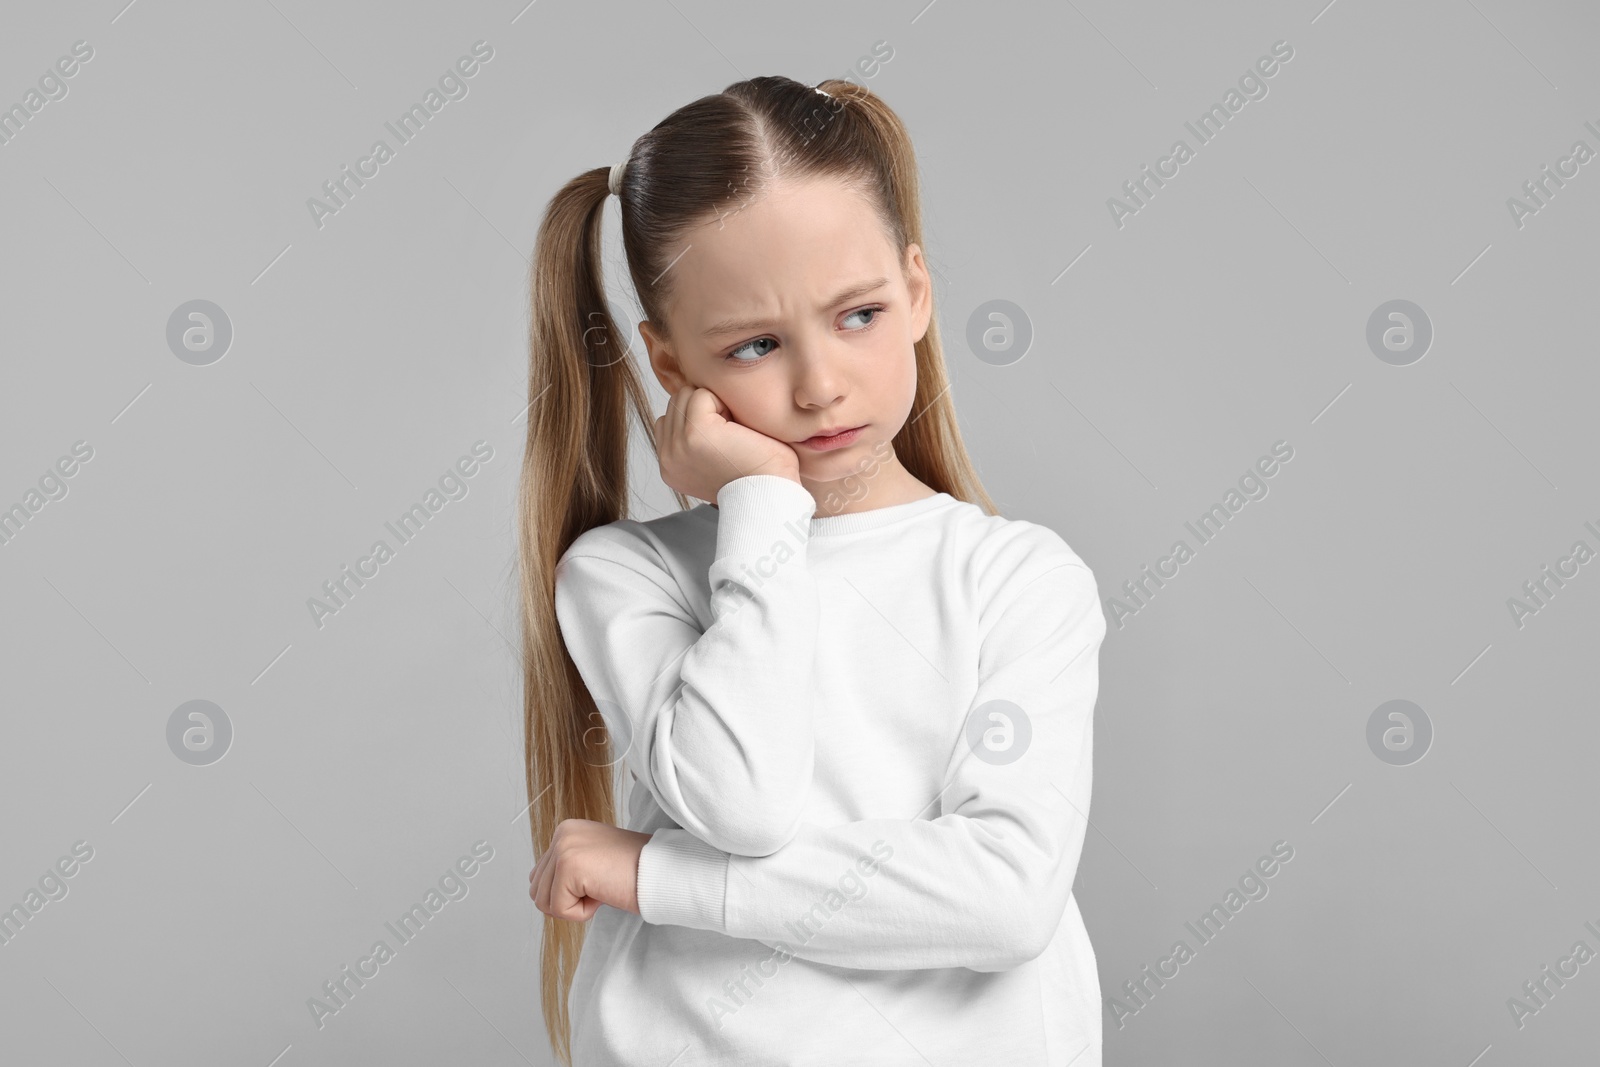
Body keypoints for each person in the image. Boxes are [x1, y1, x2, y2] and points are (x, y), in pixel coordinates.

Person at [519, 74, 1108, 1066]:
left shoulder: (1018, 579)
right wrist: (760, 503)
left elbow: (1006, 896)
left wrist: (658, 874)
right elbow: (741, 802)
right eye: (754, 343)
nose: (819, 382)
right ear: (671, 369)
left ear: (917, 292)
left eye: (858, 315)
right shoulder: (626, 576)